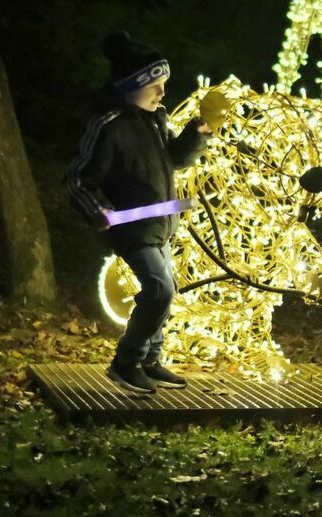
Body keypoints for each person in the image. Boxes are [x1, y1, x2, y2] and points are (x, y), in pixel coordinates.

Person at [64, 32, 210, 394]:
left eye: (164, 84)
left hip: (161, 224)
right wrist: (99, 211)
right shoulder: (109, 125)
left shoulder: (156, 118)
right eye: (155, 86)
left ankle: (149, 360)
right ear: (131, 86)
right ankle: (126, 362)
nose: (162, 93)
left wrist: (197, 135)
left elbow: (174, 160)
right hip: (131, 229)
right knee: (159, 290)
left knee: (167, 290)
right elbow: (78, 179)